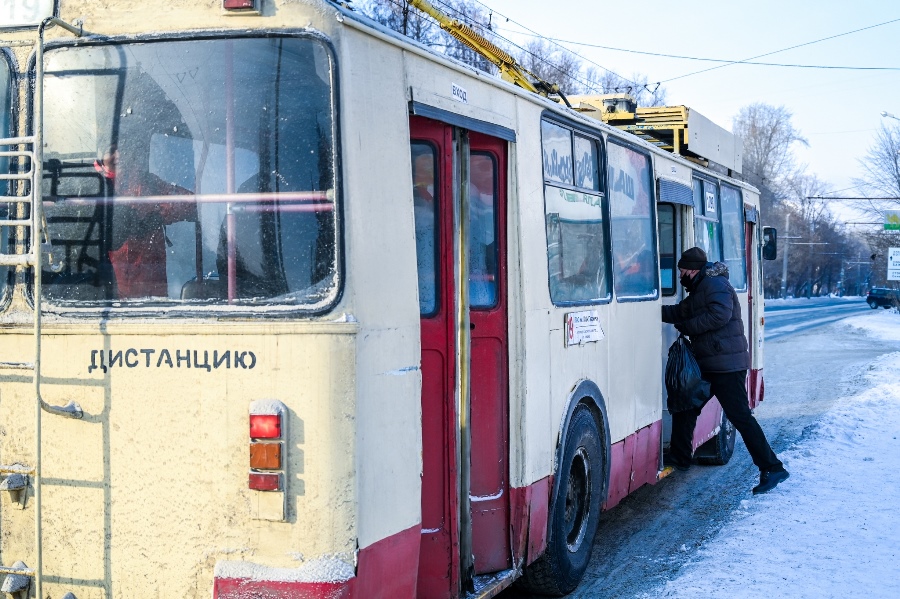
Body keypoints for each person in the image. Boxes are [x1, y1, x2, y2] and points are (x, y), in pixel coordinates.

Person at [661, 246, 789, 495]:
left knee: (741, 417)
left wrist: (686, 327)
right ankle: (680, 458)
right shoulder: (701, 288)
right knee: (686, 404)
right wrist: (652, 312)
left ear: (691, 269)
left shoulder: (715, 284)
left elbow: (719, 315)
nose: (679, 276)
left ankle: (773, 468)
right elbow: (681, 310)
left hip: (726, 366)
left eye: (681, 271)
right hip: (712, 363)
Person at [95, 145, 195, 298]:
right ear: (100, 155)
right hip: (99, 293)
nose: (118, 154)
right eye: (111, 149)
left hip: (150, 285)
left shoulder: (149, 182)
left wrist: (157, 215)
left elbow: (191, 203)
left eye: (124, 148)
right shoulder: (90, 185)